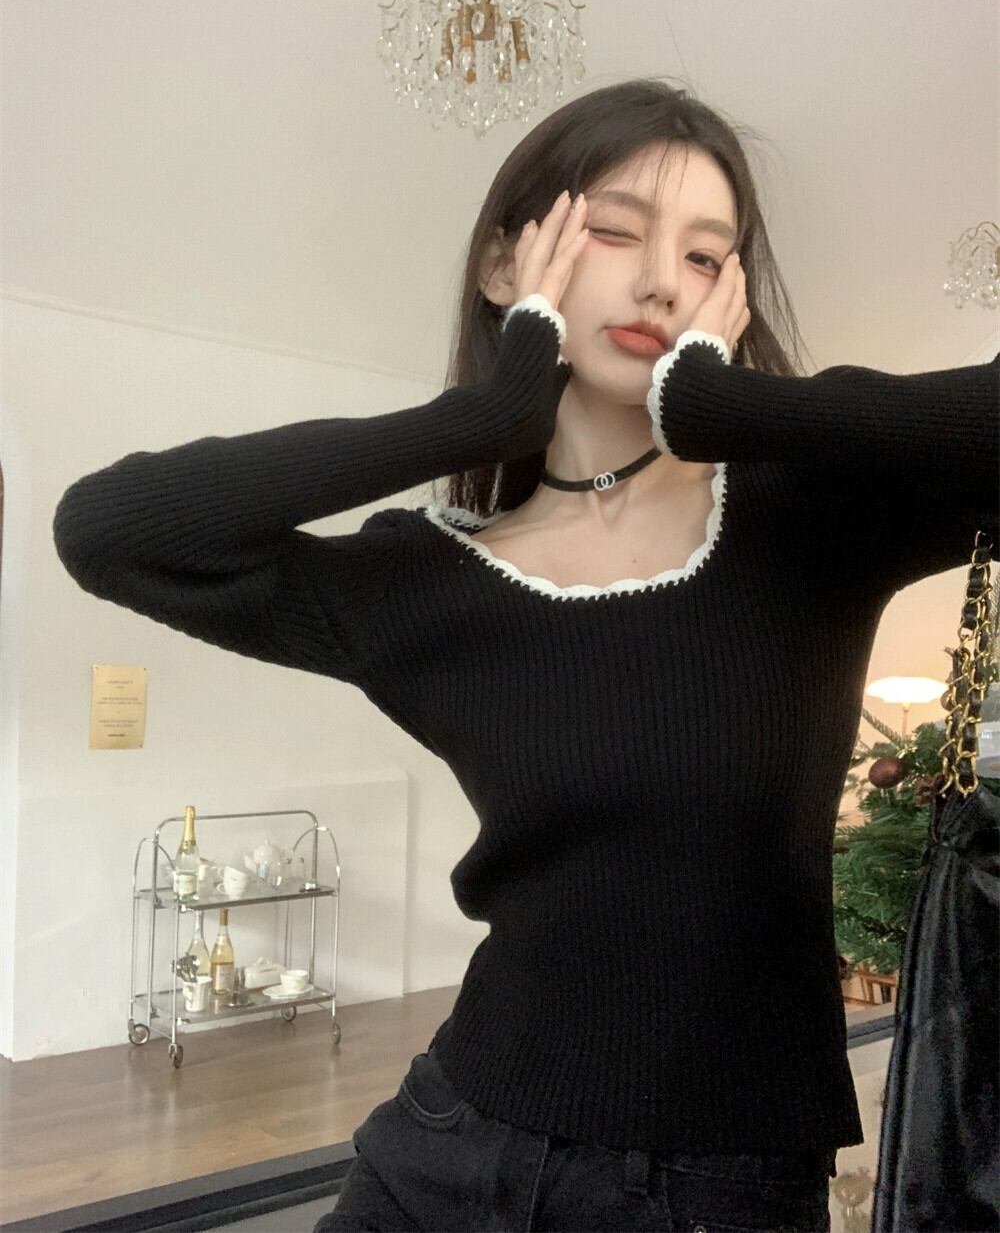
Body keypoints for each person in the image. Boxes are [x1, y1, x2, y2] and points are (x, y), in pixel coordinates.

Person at [52, 79, 999, 1232]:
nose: (662, 280)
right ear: (507, 265)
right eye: (615, 230)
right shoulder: (429, 579)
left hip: (715, 1183)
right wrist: (480, 416)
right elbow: (109, 529)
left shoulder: (807, 518)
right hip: (447, 1140)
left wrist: (727, 405)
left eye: (705, 255)